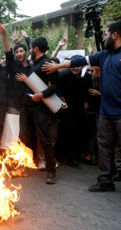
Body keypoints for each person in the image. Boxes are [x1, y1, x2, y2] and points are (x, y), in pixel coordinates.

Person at [42, 20, 121, 191]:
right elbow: (78, 61)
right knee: (105, 147)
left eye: (106, 34)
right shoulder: (103, 55)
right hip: (106, 113)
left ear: (115, 35)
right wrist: (58, 66)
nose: (104, 37)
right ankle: (105, 181)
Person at [14, 36, 59, 184]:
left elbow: (56, 86)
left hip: (40, 108)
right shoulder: (34, 63)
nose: (29, 51)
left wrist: (42, 95)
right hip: (26, 107)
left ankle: (51, 172)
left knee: (45, 139)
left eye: (31, 48)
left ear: (36, 49)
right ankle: (23, 167)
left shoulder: (47, 64)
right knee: (24, 139)